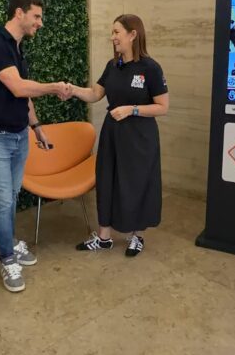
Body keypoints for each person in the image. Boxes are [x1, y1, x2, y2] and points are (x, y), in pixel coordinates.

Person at [0, 0, 68, 293]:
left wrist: (36, 128)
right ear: (19, 13)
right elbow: (17, 87)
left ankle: (9, 242)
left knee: (11, 196)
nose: (40, 23)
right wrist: (55, 87)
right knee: (3, 200)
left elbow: (25, 97)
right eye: (37, 16)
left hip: (18, 134)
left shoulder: (17, 48)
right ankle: (7, 258)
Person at [66, 14, 169, 257]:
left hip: (140, 138)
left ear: (133, 35)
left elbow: (162, 107)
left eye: (116, 32)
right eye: (112, 32)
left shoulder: (150, 68)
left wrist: (132, 109)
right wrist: (71, 89)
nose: (112, 37)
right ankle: (104, 238)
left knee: (136, 184)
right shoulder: (112, 66)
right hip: (113, 134)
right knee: (107, 180)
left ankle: (136, 236)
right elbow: (95, 94)